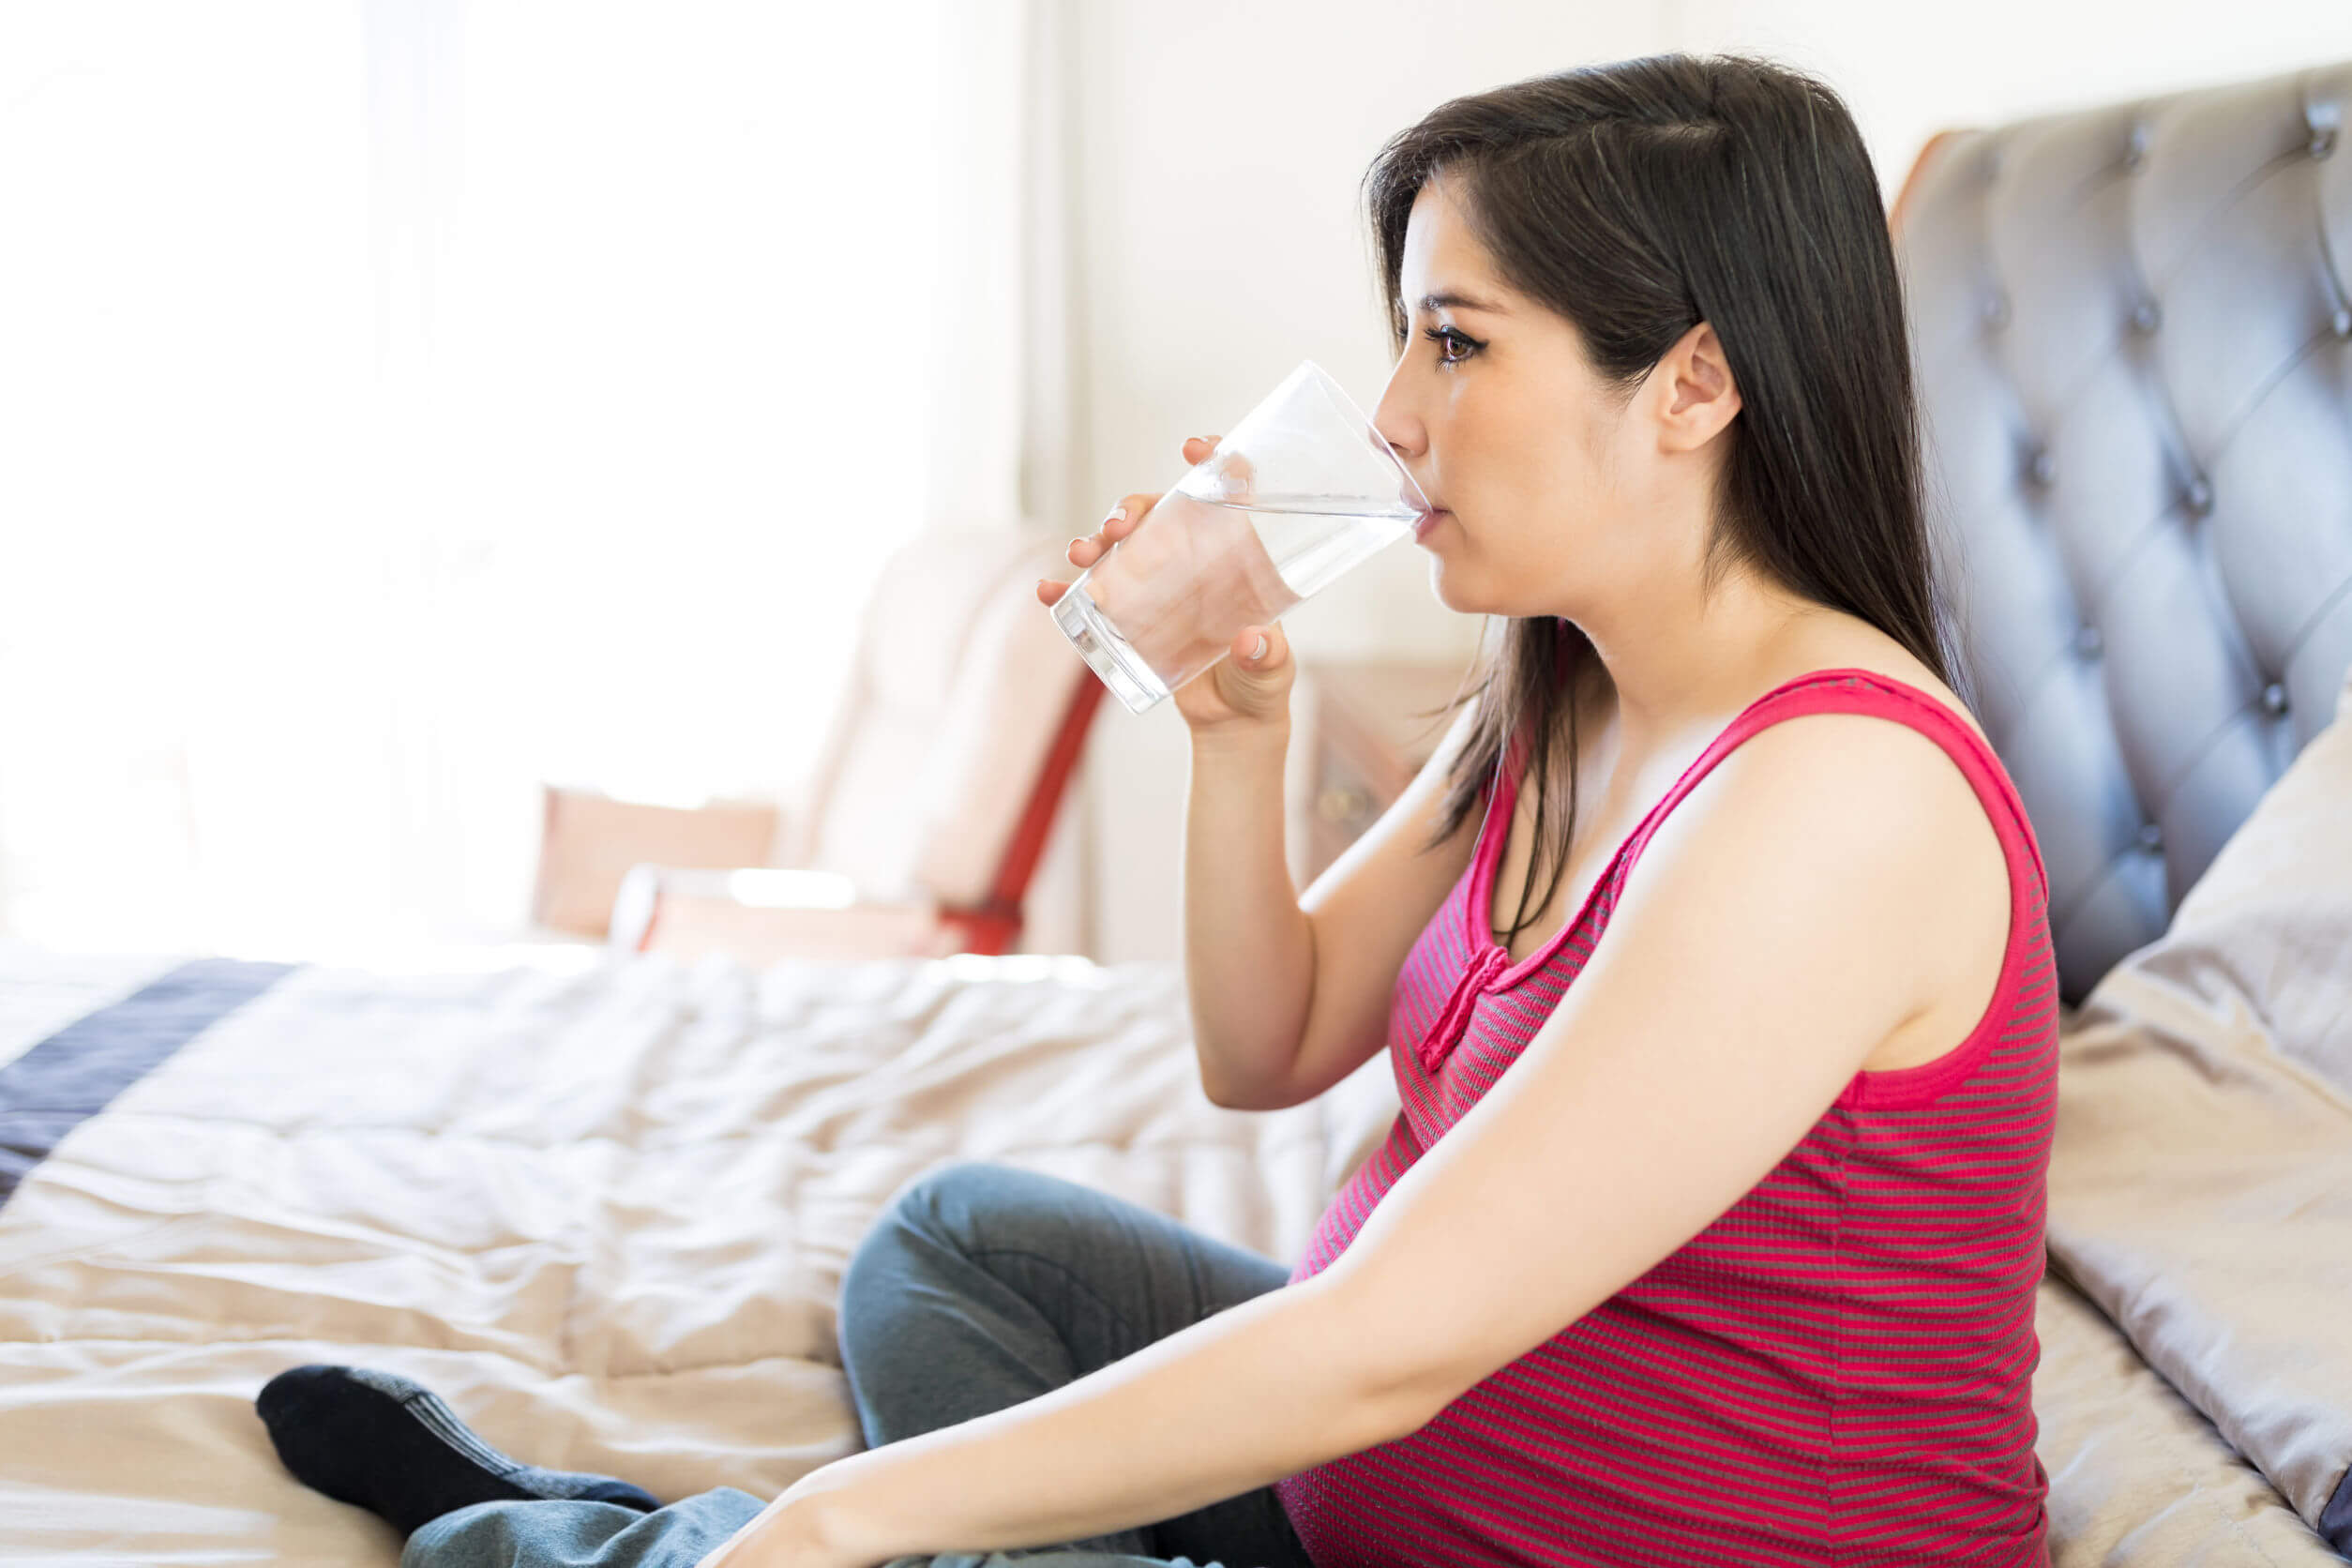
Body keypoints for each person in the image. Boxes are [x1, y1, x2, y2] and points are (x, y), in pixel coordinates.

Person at [257, 49, 2057, 1568]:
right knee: (959, 1246)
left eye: (1454, 343)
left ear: (1694, 383)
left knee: (870, 1514)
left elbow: (1385, 1343)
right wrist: (1231, 740)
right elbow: (1262, 1052)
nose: (1394, 417)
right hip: (1386, 1493)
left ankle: (608, 1540)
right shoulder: (1560, 692)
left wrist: (835, 1520)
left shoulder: (1840, 796)